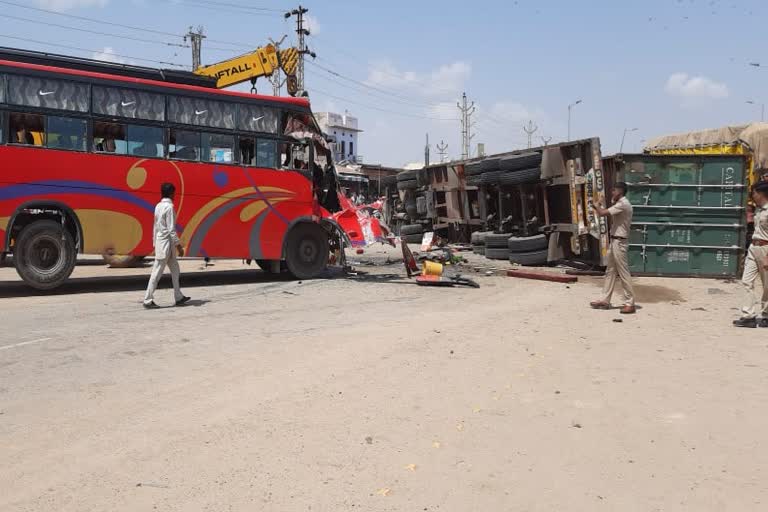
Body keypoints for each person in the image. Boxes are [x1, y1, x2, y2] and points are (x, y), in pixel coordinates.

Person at [589, 182, 636, 314]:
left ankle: (630, 303)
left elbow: (603, 213)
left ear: (620, 191)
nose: (612, 193)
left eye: (614, 190)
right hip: (615, 241)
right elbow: (610, 202)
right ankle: (605, 300)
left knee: (623, 273)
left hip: (620, 242)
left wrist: (596, 205)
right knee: (610, 271)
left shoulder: (623, 204)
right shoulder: (619, 202)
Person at [143, 182, 190, 309]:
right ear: (170, 193)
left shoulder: (158, 206)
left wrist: (154, 243)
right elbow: (171, 229)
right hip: (166, 245)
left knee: (175, 270)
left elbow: (155, 227)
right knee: (157, 272)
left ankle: (178, 296)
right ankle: (147, 299)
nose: (175, 195)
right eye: (174, 192)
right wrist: (179, 246)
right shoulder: (169, 207)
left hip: (163, 244)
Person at [734, 183, 768, 328]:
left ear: (761, 193)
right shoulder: (759, 210)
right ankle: (748, 316)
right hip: (754, 247)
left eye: (753, 192)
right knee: (747, 281)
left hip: (766, 248)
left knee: (767, 285)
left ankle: (766, 315)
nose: (752, 195)